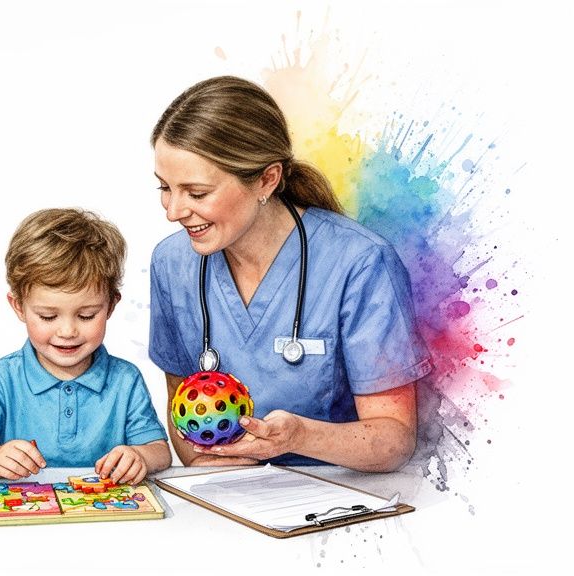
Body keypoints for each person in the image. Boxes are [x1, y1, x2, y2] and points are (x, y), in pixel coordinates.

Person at [149, 76, 431, 472]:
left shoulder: (360, 262)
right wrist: (223, 476)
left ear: (267, 179)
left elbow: (394, 440)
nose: (173, 211)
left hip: (345, 498)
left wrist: (300, 437)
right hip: (231, 493)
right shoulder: (172, 263)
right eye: (164, 187)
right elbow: (187, 420)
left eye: (196, 193)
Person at [0, 208, 171, 483]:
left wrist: (140, 457)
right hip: (23, 520)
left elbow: (160, 452)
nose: (67, 332)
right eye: (48, 316)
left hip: (105, 520)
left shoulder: (125, 380)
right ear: (19, 306)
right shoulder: (1, 379)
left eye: (87, 315)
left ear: (111, 305)